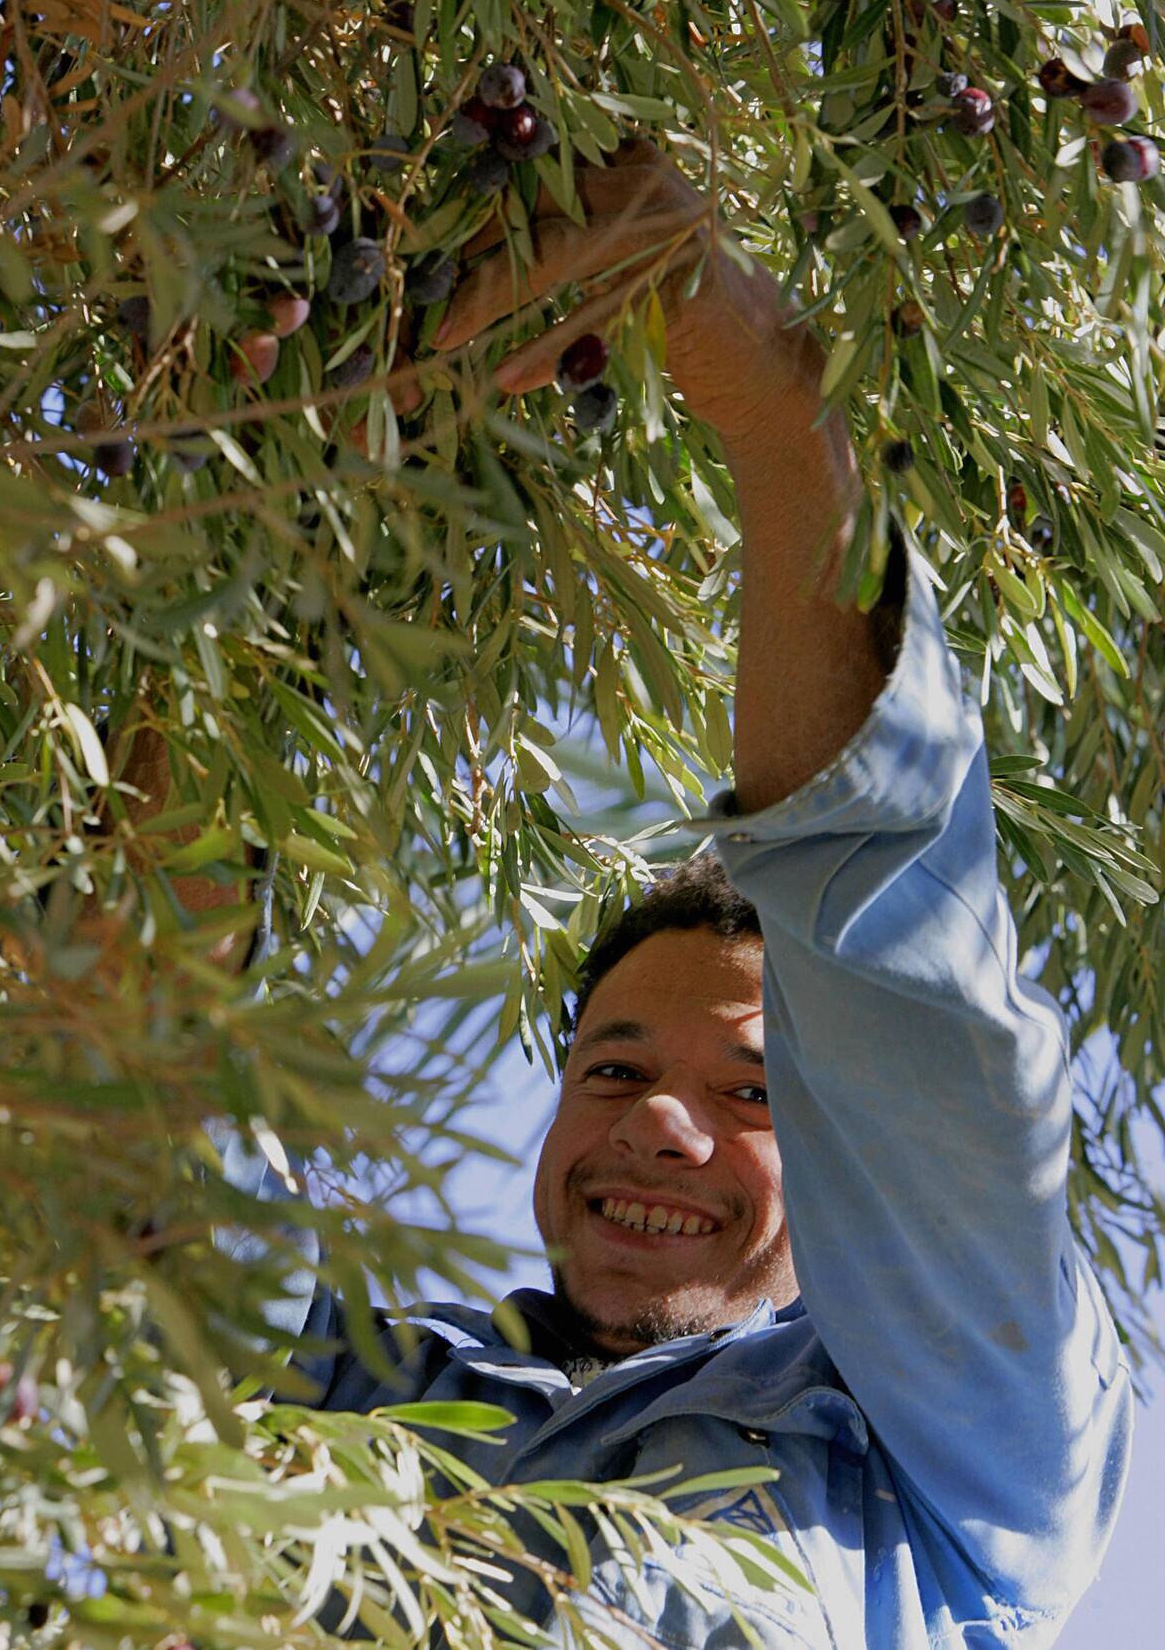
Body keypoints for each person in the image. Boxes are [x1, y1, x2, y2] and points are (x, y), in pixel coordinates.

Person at [210, 139, 1131, 1648]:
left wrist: (766, 398)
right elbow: (145, 1151)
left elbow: (914, 1016)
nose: (656, 1120)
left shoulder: (959, 1466)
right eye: (615, 1067)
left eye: (759, 1091)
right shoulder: (337, 1377)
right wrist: (217, 513)